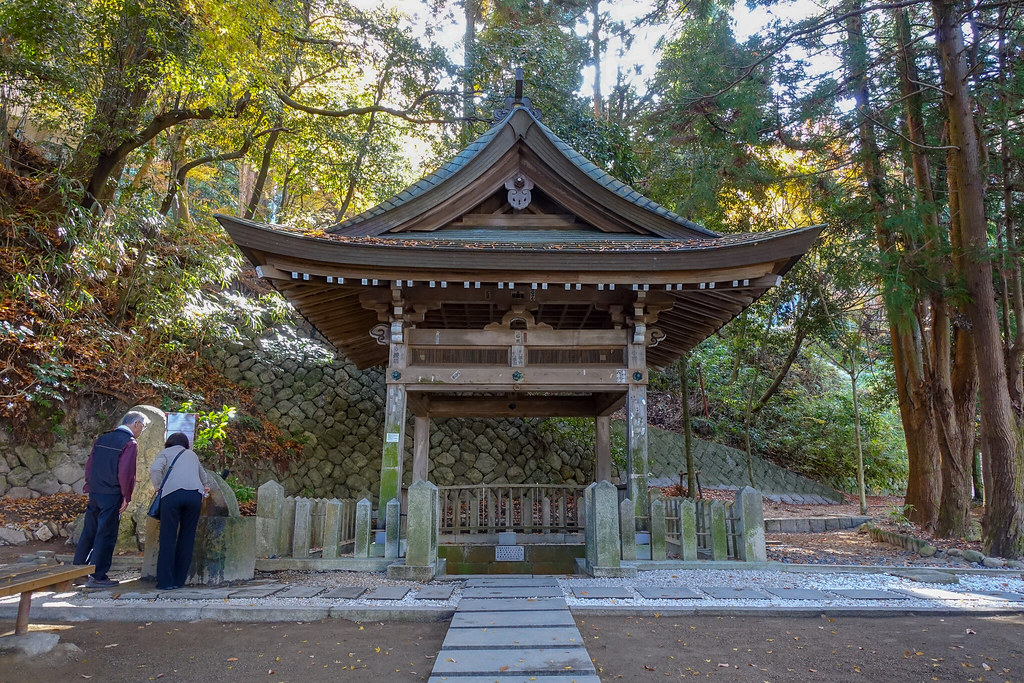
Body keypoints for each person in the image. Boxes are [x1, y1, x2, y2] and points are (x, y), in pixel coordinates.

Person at [74, 411, 149, 588]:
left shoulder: (103, 439)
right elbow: (126, 473)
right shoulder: (129, 443)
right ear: (136, 423)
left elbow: (90, 465)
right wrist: (126, 496)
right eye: (143, 427)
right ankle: (98, 575)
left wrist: (89, 485)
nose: (142, 431)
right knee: (106, 533)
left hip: (95, 491)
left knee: (89, 531)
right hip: (112, 492)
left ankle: (78, 571)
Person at [150, 432, 210, 590]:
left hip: (172, 495)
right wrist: (205, 486)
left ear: (169, 442)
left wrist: (158, 486)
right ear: (185, 444)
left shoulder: (165, 452)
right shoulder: (191, 454)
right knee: (187, 537)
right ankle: (179, 580)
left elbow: (156, 469)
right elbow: (204, 476)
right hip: (194, 496)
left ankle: (165, 582)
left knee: (168, 537)